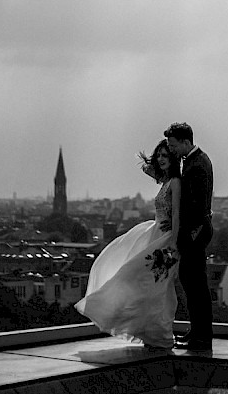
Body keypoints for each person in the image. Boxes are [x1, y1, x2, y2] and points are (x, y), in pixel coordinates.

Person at [75, 140, 182, 349]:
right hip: (155, 234)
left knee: (154, 285)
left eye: (165, 156)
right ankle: (152, 333)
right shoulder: (165, 180)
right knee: (145, 281)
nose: (160, 159)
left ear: (173, 159)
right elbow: (147, 168)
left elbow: (177, 213)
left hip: (165, 239)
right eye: (158, 155)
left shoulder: (175, 182)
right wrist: (152, 160)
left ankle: (160, 333)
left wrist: (175, 243)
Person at [164, 122, 213, 352]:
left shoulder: (197, 165)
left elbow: (198, 207)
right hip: (196, 233)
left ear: (185, 142)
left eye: (173, 145)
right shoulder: (197, 161)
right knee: (194, 284)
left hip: (194, 234)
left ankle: (201, 336)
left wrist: (188, 233)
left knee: (195, 286)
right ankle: (198, 333)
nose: (171, 150)